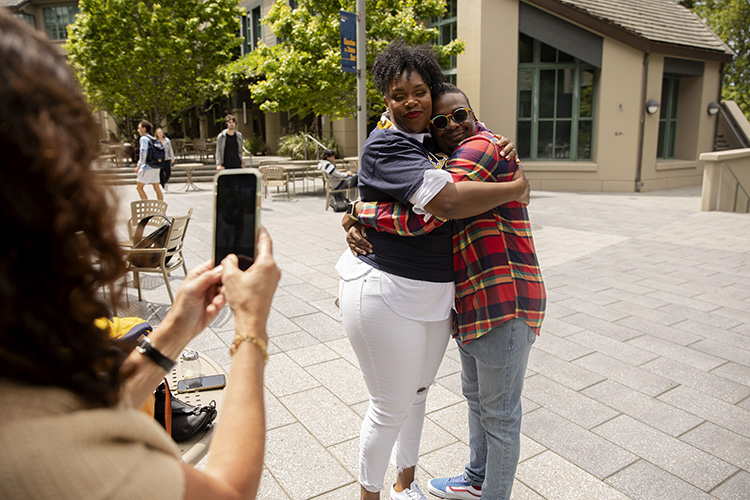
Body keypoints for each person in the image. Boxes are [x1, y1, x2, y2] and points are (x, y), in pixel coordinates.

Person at [0, 11, 280, 500]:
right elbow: (229, 493)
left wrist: (176, 330)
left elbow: (91, 413)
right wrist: (250, 329)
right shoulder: (39, 453)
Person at [336, 41, 529, 500]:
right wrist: (517, 185)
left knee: (419, 394)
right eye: (398, 94)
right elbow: (442, 205)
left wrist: (357, 210)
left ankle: (406, 485)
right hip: (387, 290)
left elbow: (464, 127)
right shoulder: (387, 144)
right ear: (385, 99)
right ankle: (369, 494)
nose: (412, 102)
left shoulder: (432, 140)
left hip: (438, 292)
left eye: (420, 91)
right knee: (390, 406)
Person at [135, 119, 164, 200]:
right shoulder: (152, 138)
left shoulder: (143, 139)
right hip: (156, 166)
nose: (138, 130)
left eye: (139, 128)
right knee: (157, 188)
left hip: (147, 167)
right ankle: (161, 208)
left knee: (139, 187)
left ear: (144, 129)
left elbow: (143, 152)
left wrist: (139, 165)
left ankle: (146, 206)